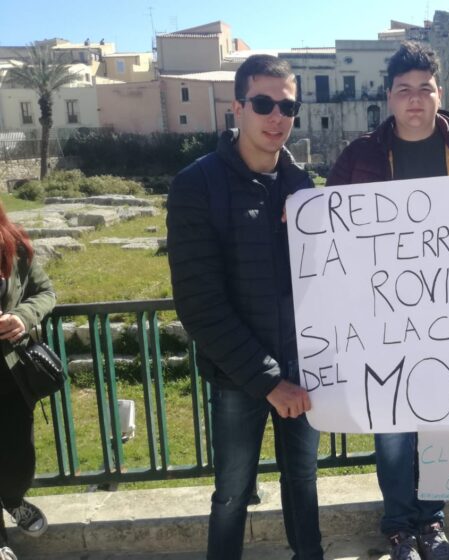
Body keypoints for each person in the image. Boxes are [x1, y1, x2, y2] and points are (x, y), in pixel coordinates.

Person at [327, 41, 449, 560]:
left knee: (442, 420)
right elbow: (327, 222)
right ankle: (399, 527)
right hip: (381, 322)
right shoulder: (360, 155)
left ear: (438, 93)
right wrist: (302, 217)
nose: (415, 100)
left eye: (424, 89)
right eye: (404, 90)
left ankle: (433, 522)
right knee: (394, 432)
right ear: (390, 97)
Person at [167, 54, 322, 560]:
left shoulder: (303, 190)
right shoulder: (196, 185)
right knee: (232, 492)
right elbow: (199, 303)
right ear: (237, 107)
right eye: (264, 103)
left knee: (303, 482)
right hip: (240, 377)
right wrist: (267, 381)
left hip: (301, 369)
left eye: (288, 106)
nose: (277, 116)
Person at [0, 202, 56, 560]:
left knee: (19, 456)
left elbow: (45, 292)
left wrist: (22, 316)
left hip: (10, 376)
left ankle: (14, 499)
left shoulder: (13, 244)